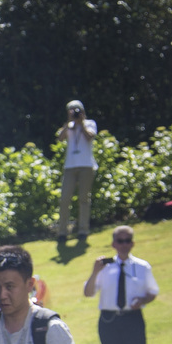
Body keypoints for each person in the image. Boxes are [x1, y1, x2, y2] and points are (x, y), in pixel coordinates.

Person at [56, 100, 97, 241]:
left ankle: (83, 231)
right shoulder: (68, 126)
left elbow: (90, 136)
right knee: (65, 199)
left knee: (84, 199)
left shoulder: (90, 123)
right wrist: (69, 122)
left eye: (77, 110)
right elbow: (60, 138)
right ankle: (62, 232)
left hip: (86, 165)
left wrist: (81, 123)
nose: (75, 113)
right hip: (70, 167)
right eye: (72, 111)